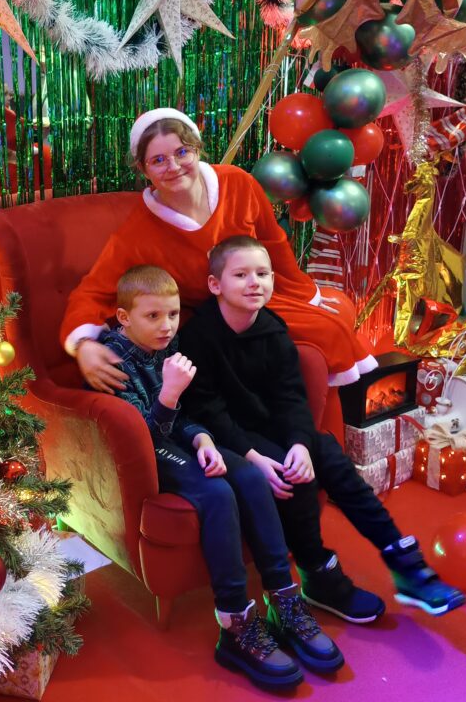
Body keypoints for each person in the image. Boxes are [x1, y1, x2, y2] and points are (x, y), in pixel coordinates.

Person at [178, 235, 466, 621]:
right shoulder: (198, 336)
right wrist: (254, 456)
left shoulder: (273, 330)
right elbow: (207, 410)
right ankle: (318, 574)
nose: (254, 283)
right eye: (241, 275)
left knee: (328, 454)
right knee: (291, 474)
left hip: (270, 427)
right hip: (226, 437)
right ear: (216, 285)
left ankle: (406, 564)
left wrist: (301, 442)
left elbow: (291, 398)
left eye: (262, 274)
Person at [94, 264, 344, 688]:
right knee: (216, 494)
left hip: (180, 437)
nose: (166, 326)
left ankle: (283, 600)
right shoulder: (112, 361)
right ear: (124, 317)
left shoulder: (170, 344)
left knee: (249, 476)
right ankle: (235, 623)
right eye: (153, 316)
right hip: (146, 452)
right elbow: (141, 436)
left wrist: (204, 439)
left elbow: (187, 415)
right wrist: (170, 393)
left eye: (173, 315)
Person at [59, 107, 378, 399]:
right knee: (321, 334)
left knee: (331, 327)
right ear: (143, 169)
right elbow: (93, 291)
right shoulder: (136, 233)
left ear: (197, 149)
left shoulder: (239, 183)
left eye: (181, 152)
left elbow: (273, 245)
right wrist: (83, 344)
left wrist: (306, 296)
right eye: (158, 160)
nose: (173, 167)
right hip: (209, 324)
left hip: (258, 300)